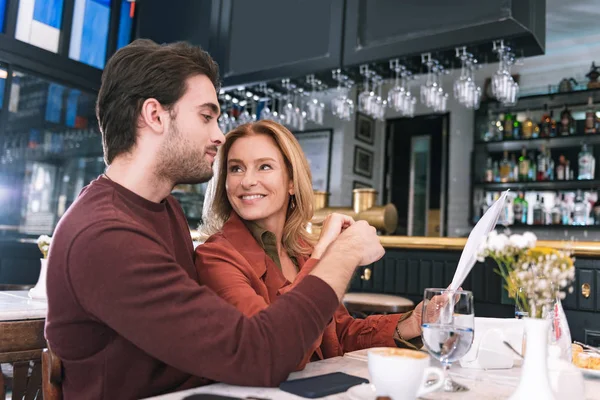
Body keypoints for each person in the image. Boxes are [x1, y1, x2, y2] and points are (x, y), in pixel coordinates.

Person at [45, 39, 385, 400]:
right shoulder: (105, 234)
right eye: (207, 116)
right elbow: (259, 354)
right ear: (155, 115)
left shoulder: (163, 209)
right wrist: (343, 254)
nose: (219, 136)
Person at [196, 120, 423, 370]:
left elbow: (338, 334)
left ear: (292, 182)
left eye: (264, 167)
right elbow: (273, 348)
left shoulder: (300, 248)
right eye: (236, 168)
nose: (247, 181)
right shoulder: (215, 256)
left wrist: (411, 324)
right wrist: (326, 250)